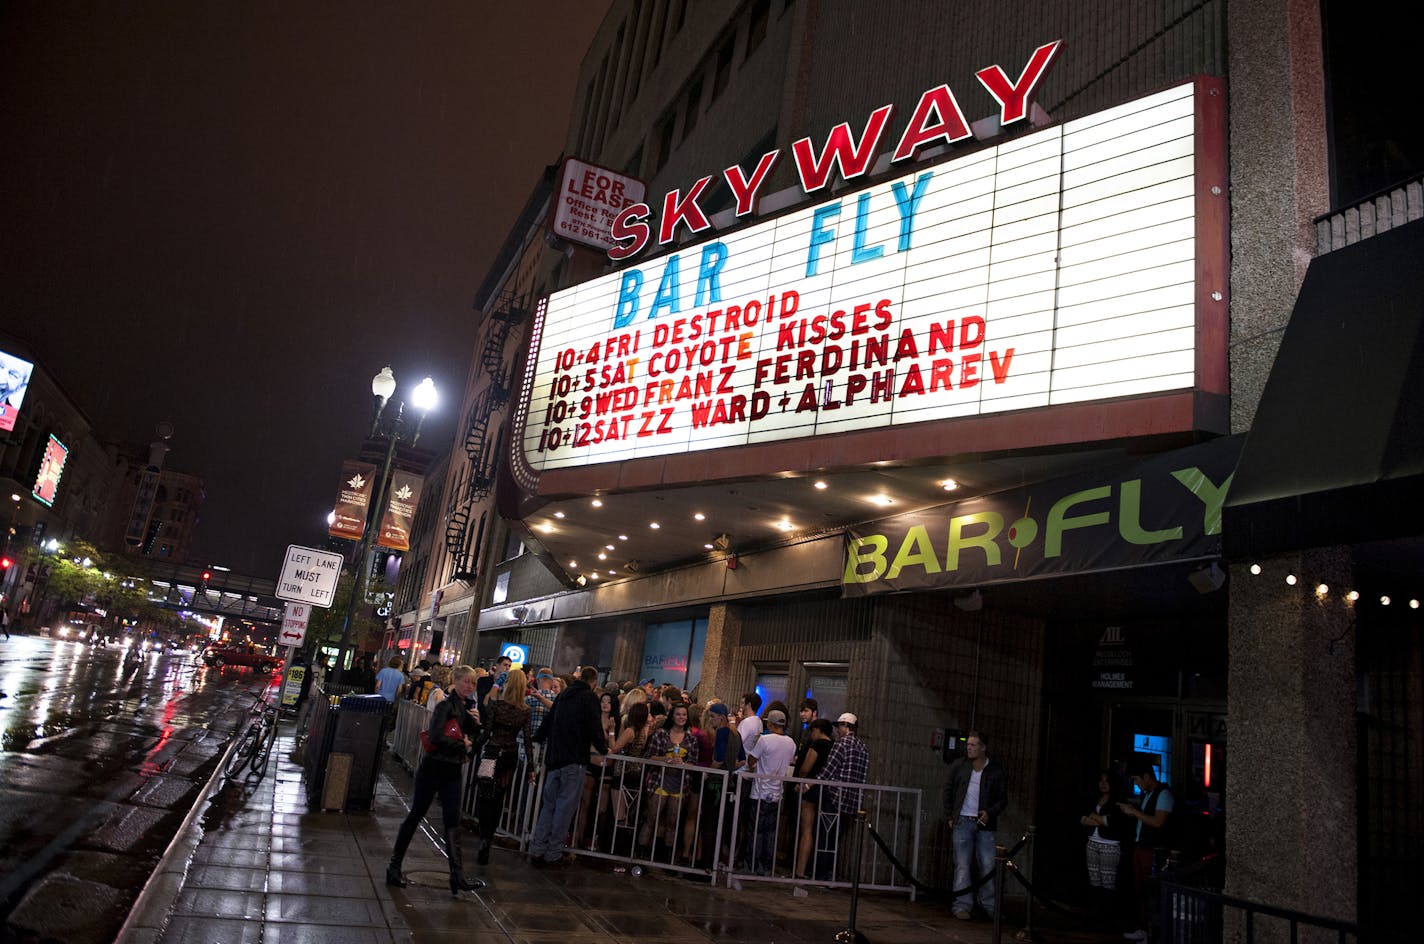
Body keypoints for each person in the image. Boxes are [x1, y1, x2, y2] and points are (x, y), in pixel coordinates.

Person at [386, 664, 486, 895]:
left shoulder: (465, 709)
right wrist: (464, 744)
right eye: (466, 682)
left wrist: (478, 726)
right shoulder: (445, 706)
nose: (470, 686)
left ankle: (457, 874)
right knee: (416, 814)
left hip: (451, 770)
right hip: (433, 768)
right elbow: (436, 736)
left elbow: (477, 741)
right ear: (456, 681)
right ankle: (394, 866)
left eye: (473, 683)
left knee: (453, 820)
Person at [529, 666, 608, 866]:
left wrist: (538, 737)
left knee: (549, 805)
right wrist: (602, 747)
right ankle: (553, 853)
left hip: (555, 758)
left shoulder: (564, 695)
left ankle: (537, 848)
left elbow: (550, 719)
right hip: (574, 759)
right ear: (594, 682)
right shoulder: (588, 698)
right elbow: (593, 726)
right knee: (564, 808)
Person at [944, 730, 1008, 920]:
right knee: (962, 866)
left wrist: (990, 813)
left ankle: (989, 905)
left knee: (988, 865)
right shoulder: (960, 766)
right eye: (968, 744)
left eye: (973, 745)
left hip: (984, 825)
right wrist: (950, 814)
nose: (969, 748)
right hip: (962, 821)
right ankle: (962, 906)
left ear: (983, 748)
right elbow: (948, 789)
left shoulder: (995, 769)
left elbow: (1002, 799)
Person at [473, 668, 534, 865]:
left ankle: (483, 837)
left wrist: (471, 751)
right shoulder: (524, 711)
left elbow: (486, 732)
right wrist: (531, 767)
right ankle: (489, 838)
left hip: (491, 753)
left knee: (484, 796)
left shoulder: (497, 706)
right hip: (510, 756)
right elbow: (527, 740)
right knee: (499, 798)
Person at [1119, 757, 1175, 942]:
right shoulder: (1148, 794)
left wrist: (1134, 812)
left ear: (1146, 776)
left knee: (1152, 892)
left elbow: (1158, 822)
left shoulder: (1164, 794)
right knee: (1141, 890)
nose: (1137, 784)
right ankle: (1144, 928)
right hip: (1141, 846)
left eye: (1137, 779)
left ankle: (1153, 932)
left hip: (1153, 850)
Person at [638, 701, 700, 859]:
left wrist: (683, 764)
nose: (681, 717)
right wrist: (665, 759)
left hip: (680, 784)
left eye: (684, 714)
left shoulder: (691, 739)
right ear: (672, 716)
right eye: (678, 714)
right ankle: (641, 855)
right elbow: (649, 756)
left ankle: (666, 857)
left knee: (672, 822)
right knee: (651, 818)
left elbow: (693, 761)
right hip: (660, 780)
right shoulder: (661, 734)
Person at [816, 712, 871, 880]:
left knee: (825, 836)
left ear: (846, 726)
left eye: (839, 725)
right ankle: (830, 873)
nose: (837, 729)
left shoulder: (841, 744)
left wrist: (809, 784)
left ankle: (821, 873)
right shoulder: (863, 748)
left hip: (834, 796)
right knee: (836, 838)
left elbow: (828, 770)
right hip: (851, 802)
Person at [743, 708, 796, 875]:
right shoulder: (791, 743)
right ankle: (767, 867)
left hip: (759, 792)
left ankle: (751, 865)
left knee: (756, 831)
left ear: (770, 724)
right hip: (777, 793)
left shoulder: (765, 740)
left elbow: (751, 761)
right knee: (771, 833)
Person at [1081, 769, 1131, 926]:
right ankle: (1095, 914)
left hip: (1109, 845)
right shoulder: (1093, 798)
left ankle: (1107, 918)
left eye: (1107, 781)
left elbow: (1113, 822)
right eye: (1101, 780)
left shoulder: (1118, 802)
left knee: (1108, 882)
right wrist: (1100, 820)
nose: (1103, 784)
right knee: (1094, 879)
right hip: (1092, 842)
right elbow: (1083, 819)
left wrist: (1096, 818)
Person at [579, 688, 621, 850]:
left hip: (607, 768)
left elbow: (614, 748)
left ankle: (598, 841)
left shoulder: (616, 722)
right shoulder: (593, 719)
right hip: (591, 764)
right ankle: (579, 839)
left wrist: (611, 731)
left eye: (609, 702)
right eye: (603, 701)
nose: (605, 704)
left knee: (603, 809)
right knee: (585, 804)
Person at [794, 717, 834, 879]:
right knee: (823, 831)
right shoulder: (834, 745)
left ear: (818, 730)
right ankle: (818, 869)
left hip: (810, 789)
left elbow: (806, 767)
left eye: (812, 731)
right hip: (826, 790)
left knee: (807, 830)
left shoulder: (817, 744)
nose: (811, 734)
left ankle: (800, 870)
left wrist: (800, 780)